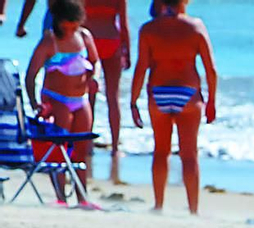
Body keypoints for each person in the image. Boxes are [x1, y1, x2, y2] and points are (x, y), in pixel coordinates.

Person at [128, 0, 215, 214]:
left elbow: (141, 67)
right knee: (189, 154)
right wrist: (212, 101)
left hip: (159, 92)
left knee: (160, 152)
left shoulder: (149, 29)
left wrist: (133, 101)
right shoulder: (195, 27)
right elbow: (210, 69)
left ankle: (158, 205)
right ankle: (193, 209)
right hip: (188, 93)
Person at [23, 0, 99, 207]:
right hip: (56, 99)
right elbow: (31, 75)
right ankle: (61, 196)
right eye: (66, 25)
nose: (70, 29)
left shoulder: (84, 36)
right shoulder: (50, 41)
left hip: (80, 99)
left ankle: (82, 196)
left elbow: (95, 61)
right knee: (60, 149)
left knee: (81, 148)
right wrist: (34, 102)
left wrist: (94, 77)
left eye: (73, 25)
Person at [83, 0, 130, 184]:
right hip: (112, 39)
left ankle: (87, 144)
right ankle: (115, 146)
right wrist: (128, 50)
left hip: (90, 39)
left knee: (88, 97)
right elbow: (124, 24)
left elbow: (79, 18)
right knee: (113, 97)